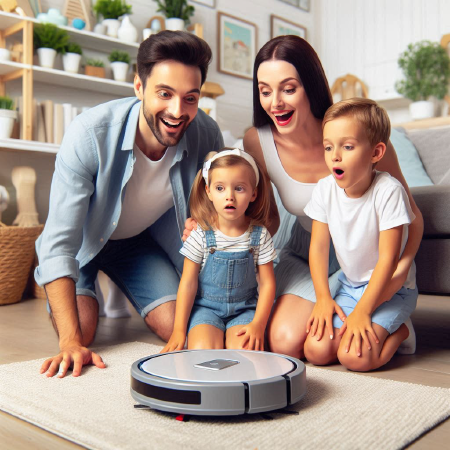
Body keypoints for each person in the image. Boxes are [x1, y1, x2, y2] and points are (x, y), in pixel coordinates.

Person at [35, 31, 224, 378]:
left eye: (190, 98)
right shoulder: (89, 134)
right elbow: (59, 241)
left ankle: (120, 287)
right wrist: (70, 343)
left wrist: (204, 216)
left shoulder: (207, 134)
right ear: (139, 86)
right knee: (82, 332)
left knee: (177, 325)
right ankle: (56, 284)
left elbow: (218, 195)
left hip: (138, 245)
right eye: (164, 94)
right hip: (82, 244)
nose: (177, 111)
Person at [242, 35, 423, 359]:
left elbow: (411, 214)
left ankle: (394, 325)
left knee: (348, 350)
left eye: (288, 88)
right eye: (265, 90)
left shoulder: (357, 133)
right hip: (306, 251)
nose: (275, 103)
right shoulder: (258, 140)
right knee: (288, 343)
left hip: (366, 258)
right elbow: (266, 216)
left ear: (310, 85)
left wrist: (402, 267)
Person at [303, 98, 418, 371]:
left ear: (376, 152)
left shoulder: (388, 191)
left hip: (392, 289)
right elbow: (318, 248)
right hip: (350, 287)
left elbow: (388, 261)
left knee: (355, 358)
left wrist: (364, 311)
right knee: (316, 351)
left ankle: (401, 331)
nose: (335, 156)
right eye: (329, 147)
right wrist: (323, 298)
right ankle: (370, 323)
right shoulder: (324, 190)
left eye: (348, 147)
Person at [162, 149, 276, 352]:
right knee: (202, 351)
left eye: (239, 188)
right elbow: (188, 283)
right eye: (220, 188)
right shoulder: (200, 234)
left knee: (245, 353)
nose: (229, 197)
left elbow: (267, 284)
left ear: (253, 194)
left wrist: (258, 324)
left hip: (245, 309)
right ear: (208, 192)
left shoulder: (259, 235)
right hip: (206, 309)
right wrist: (179, 330)